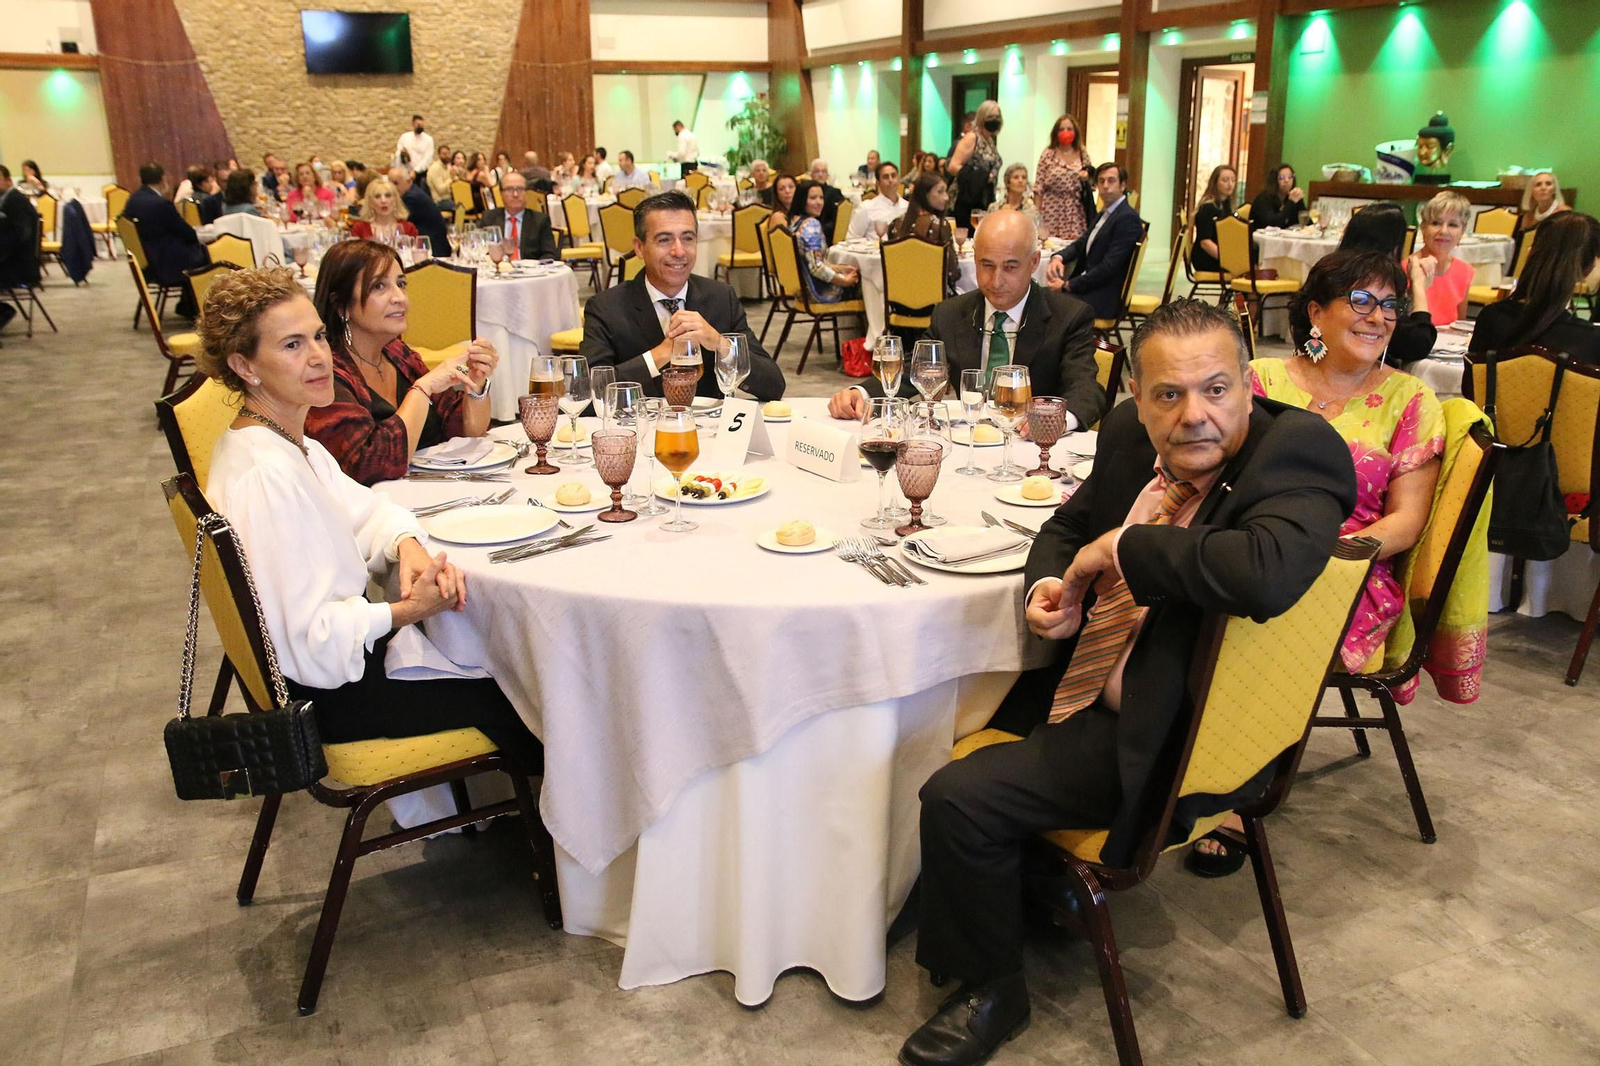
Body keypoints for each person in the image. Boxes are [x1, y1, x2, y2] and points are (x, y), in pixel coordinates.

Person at [899, 299, 1356, 1066]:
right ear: (1138, 398)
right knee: (924, 715)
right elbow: (1066, 529)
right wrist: (1050, 585)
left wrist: (1124, 548)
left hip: (1168, 731)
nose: (1195, 415)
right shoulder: (1124, 435)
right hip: (1088, 681)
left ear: (1248, 385)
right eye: (1168, 394)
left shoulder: (1297, 452)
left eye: (1216, 389)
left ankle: (991, 989)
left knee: (957, 797)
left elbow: (1267, 573)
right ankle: (1016, 887)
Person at [195, 266, 541, 772]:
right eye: (292, 345)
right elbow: (308, 642)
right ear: (245, 366)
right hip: (330, 692)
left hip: (344, 660)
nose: (318, 356)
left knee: (503, 661)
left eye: (318, 337)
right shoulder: (266, 476)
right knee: (526, 690)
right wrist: (406, 612)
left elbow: (366, 508)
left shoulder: (289, 442)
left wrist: (407, 545)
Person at [829, 209, 1104, 428]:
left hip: (1033, 452)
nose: (996, 281)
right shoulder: (950, 313)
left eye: (1010, 267)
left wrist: (1054, 421)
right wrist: (861, 393)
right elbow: (917, 371)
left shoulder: (1068, 317)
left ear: (1034, 262)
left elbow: (1086, 390)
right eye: (987, 265)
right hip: (967, 445)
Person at [303, 239, 497, 484]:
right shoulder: (326, 373)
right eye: (379, 286)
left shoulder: (397, 353)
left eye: (401, 284)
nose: (399, 298)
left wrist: (476, 385)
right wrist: (422, 389)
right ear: (342, 306)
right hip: (372, 504)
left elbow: (467, 430)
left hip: (431, 491)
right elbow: (368, 465)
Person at [579, 190, 785, 402]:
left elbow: (774, 386)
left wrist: (720, 344)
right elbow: (586, 396)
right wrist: (659, 355)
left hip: (706, 422)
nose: (679, 251)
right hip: (640, 421)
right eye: (664, 240)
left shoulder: (721, 298)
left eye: (687, 238)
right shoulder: (607, 308)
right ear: (639, 248)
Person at [1470, 211, 1600, 364]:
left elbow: (1472, 377)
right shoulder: (1590, 339)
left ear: (1530, 253)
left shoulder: (1491, 318)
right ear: (1589, 269)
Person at [1337, 202, 1438, 366]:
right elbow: (1418, 342)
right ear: (1394, 247)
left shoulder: (1337, 273)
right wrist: (1418, 285)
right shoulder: (1373, 282)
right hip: (1363, 374)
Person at [1045, 162, 1143, 322]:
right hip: (1093, 289)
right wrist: (1058, 257)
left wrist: (1067, 285)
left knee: (1044, 303)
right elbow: (1081, 243)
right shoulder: (1105, 214)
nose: (1105, 186)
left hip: (1103, 298)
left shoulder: (1127, 218)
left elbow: (1108, 267)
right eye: (1101, 181)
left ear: (1122, 185)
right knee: (1042, 296)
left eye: (1111, 180)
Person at [125, 162, 208, 317]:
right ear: (163, 179)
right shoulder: (161, 204)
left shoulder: (132, 200)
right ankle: (193, 307)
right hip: (165, 262)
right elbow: (187, 233)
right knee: (206, 255)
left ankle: (186, 305)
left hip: (147, 259)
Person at [792, 179, 862, 304]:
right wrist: (844, 281)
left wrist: (840, 269)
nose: (819, 202)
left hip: (802, 289)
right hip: (819, 291)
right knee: (869, 283)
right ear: (802, 200)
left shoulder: (795, 222)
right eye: (813, 198)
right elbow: (816, 268)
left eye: (821, 198)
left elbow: (811, 260)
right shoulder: (811, 226)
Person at [1410, 190, 1474, 327]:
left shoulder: (1465, 271)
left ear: (1462, 231)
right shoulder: (1408, 267)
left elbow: (1460, 324)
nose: (1443, 231)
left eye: (1453, 225)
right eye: (1436, 223)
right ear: (1423, 227)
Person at [887, 171, 959, 290]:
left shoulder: (896, 224)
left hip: (900, 294)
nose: (946, 197)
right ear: (925, 194)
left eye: (945, 191)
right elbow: (952, 273)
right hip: (934, 296)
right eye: (940, 191)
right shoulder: (938, 226)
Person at [1034, 114, 1094, 242]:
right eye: (1061, 129)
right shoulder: (1048, 154)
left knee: (1074, 245)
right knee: (1051, 244)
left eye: (1069, 129)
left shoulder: (1082, 153)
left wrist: (1086, 177)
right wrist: (1037, 218)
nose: (1065, 132)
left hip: (1075, 210)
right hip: (1052, 208)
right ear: (1056, 133)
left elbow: (1092, 180)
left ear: (1075, 132)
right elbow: (1039, 187)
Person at [947, 99, 1003, 231]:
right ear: (982, 118)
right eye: (990, 117)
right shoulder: (972, 138)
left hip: (984, 199)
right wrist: (980, 176)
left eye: (997, 117)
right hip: (967, 200)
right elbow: (953, 166)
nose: (994, 120)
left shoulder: (990, 140)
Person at [480, 173, 557, 261]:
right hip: (498, 267)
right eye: (509, 189)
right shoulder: (489, 218)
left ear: (526, 193)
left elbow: (550, 255)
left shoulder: (540, 220)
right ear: (501, 194)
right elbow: (481, 250)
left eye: (520, 189)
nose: (515, 194)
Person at [0, 165, 40, 331]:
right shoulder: (7, 199)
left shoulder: (15, 201)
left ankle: (3, 311)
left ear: (8, 181)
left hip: (19, 266)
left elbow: (21, 236)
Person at [1189, 165, 1238, 274]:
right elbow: (1205, 243)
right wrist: (1228, 260)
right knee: (1247, 268)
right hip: (1206, 258)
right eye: (1225, 180)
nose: (1230, 184)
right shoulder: (1208, 208)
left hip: (1219, 253)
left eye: (1233, 180)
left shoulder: (1226, 206)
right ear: (1215, 183)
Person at [392, 168, 450, 258]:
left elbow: (399, 222)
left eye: (395, 183)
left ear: (408, 181)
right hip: (434, 243)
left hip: (433, 248)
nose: (391, 187)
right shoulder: (414, 191)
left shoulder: (411, 198)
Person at [347, 176, 418, 244]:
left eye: (388, 196)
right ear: (370, 202)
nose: (383, 201)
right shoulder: (359, 229)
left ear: (395, 200)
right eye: (377, 196)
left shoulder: (408, 228)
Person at [848, 161, 909, 239]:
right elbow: (852, 239)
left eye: (893, 176)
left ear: (899, 180)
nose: (890, 180)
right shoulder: (867, 208)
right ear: (878, 183)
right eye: (886, 177)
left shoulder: (907, 207)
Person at [1249, 163, 1304, 233]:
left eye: (1290, 177)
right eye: (1282, 178)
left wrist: (1299, 201)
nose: (1286, 181)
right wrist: (1291, 202)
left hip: (1286, 237)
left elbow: (1306, 222)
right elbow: (1274, 225)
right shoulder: (1263, 199)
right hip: (1263, 237)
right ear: (1274, 180)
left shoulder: (1293, 196)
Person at [807, 159, 845, 237]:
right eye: (817, 171)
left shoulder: (834, 192)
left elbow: (838, 218)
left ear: (828, 175)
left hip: (828, 232)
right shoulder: (805, 191)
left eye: (824, 172)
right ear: (811, 174)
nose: (820, 175)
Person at [426, 144, 455, 211]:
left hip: (448, 199)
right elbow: (440, 189)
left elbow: (454, 179)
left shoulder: (447, 167)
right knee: (461, 207)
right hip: (439, 202)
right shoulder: (435, 168)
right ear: (439, 155)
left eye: (448, 154)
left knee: (466, 202)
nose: (447, 156)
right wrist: (451, 179)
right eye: (444, 154)